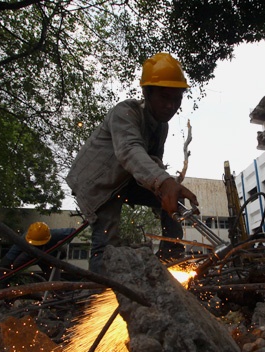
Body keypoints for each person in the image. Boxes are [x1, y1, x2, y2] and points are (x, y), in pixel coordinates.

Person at [66, 52, 199, 273]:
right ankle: (98, 292)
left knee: (174, 200)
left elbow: (151, 164)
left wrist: (167, 191)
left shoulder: (161, 126)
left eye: (177, 99)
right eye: (165, 98)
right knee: (106, 244)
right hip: (98, 185)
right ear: (147, 93)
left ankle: (171, 258)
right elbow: (129, 150)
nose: (171, 106)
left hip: (126, 180)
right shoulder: (125, 112)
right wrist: (163, 182)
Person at [0, 221, 76, 283]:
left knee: (54, 281)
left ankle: (56, 294)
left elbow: (73, 231)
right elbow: (7, 259)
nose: (38, 245)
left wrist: (65, 242)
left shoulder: (55, 234)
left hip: (49, 257)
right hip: (30, 256)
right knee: (14, 265)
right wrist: (1, 274)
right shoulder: (22, 241)